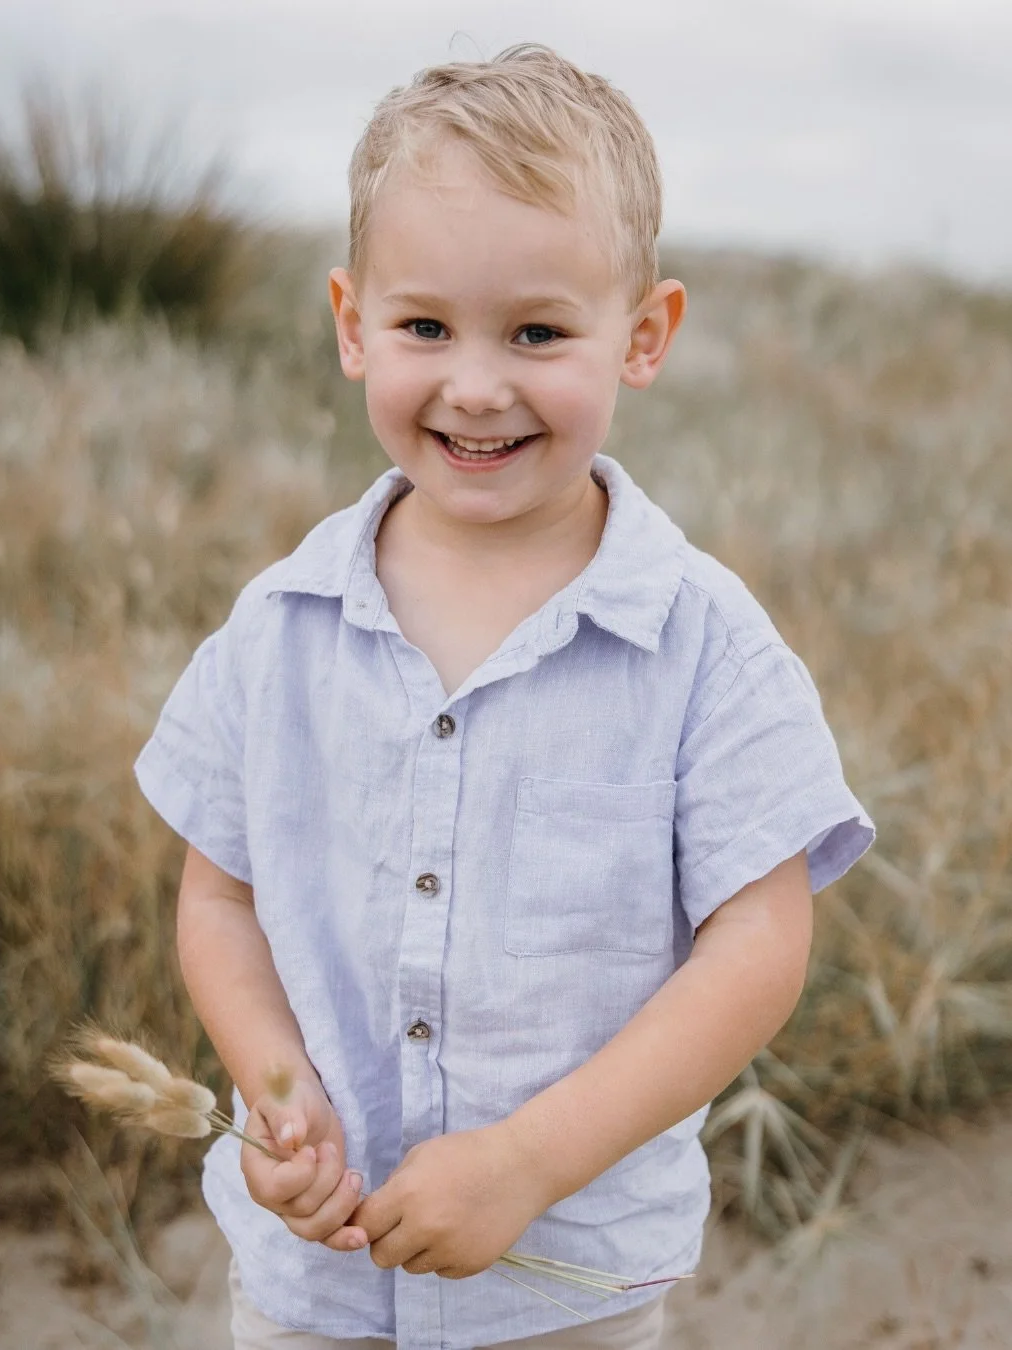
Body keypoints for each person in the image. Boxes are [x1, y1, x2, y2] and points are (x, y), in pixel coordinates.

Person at [134, 42, 874, 1350]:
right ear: (352, 322)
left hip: (565, 1285)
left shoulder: (706, 646)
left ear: (644, 335)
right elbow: (220, 891)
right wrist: (274, 1083)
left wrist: (530, 1159)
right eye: (426, 326)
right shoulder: (277, 628)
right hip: (319, 1270)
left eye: (537, 331)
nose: (477, 383)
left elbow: (757, 949)